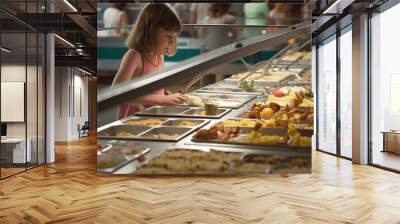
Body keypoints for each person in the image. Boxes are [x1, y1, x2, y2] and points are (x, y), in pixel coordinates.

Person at [112, 3, 187, 119]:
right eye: (168, 36)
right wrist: (162, 99)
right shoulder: (134, 56)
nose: (172, 42)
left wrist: (166, 94)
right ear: (151, 31)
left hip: (152, 117)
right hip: (133, 121)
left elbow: (154, 88)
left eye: (174, 37)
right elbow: (116, 94)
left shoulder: (159, 55)